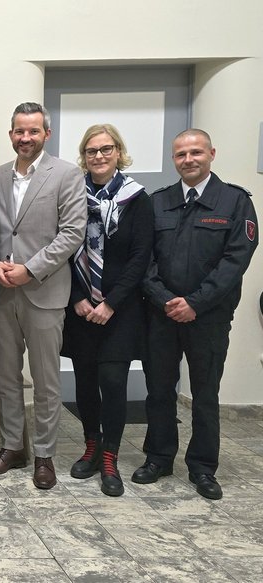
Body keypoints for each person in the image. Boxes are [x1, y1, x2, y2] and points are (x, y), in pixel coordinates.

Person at [136, 129, 258, 500]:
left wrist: (195, 303)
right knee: (159, 390)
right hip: (161, 315)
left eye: (196, 152)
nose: (188, 160)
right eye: (181, 154)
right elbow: (143, 258)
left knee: (205, 393)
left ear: (211, 154)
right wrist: (165, 300)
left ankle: (203, 467)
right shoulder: (158, 201)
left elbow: (235, 260)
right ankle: (158, 458)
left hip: (209, 317)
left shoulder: (234, 201)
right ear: (174, 159)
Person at [0, 102, 86, 489]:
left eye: (33, 131)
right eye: (20, 131)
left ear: (46, 134)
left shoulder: (67, 174)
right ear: (11, 134)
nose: (26, 138)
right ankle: (13, 447)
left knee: (45, 381)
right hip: (1, 291)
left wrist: (30, 269)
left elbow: (72, 233)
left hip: (44, 290)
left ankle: (44, 454)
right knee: (6, 377)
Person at [61, 124, 153, 497]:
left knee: (113, 383)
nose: (98, 156)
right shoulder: (71, 196)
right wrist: (77, 297)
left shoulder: (137, 199)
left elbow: (141, 257)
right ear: (84, 156)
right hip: (80, 308)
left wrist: (111, 302)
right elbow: (62, 249)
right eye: (91, 150)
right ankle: (91, 446)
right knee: (84, 382)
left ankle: (110, 456)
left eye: (105, 149)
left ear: (118, 152)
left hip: (120, 311)